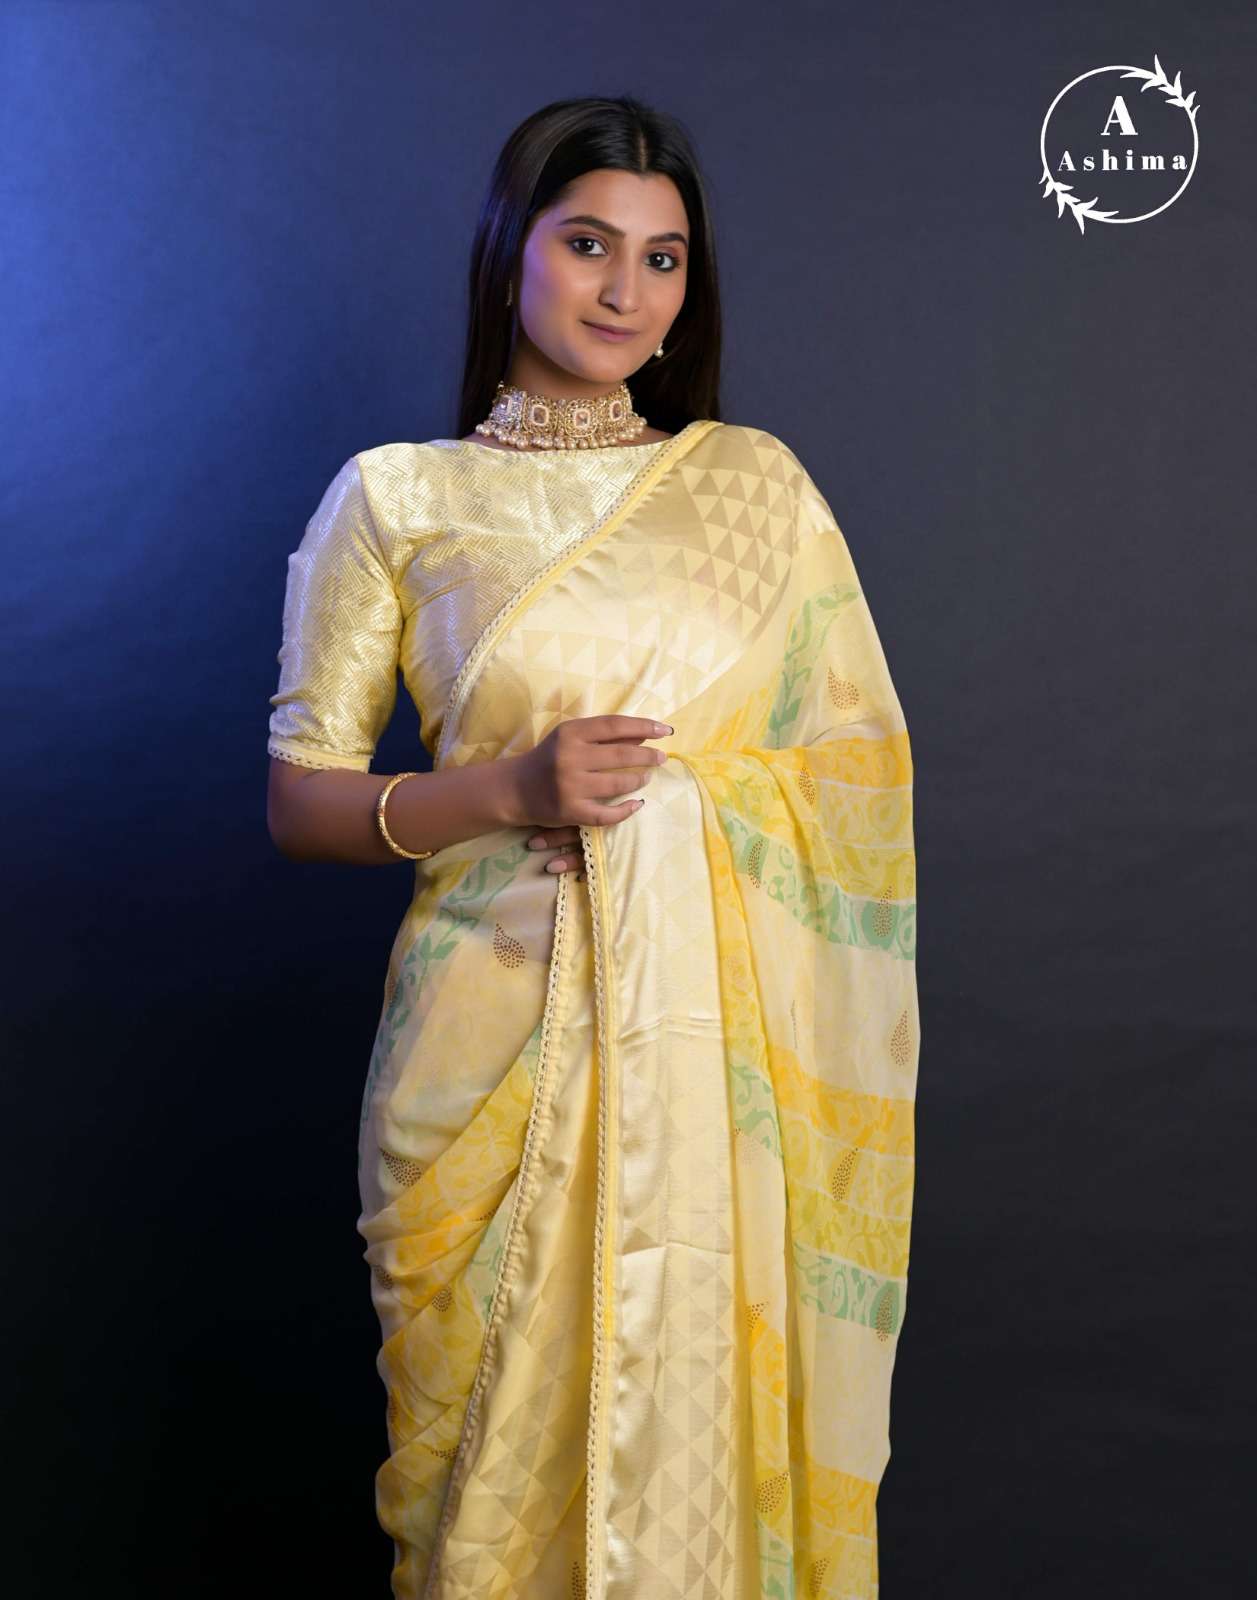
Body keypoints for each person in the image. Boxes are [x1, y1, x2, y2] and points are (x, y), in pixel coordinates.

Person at [265, 94, 920, 1600]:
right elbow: (302, 801)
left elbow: (850, 784)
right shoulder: (398, 497)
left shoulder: (755, 492)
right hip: (478, 1048)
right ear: (511, 251)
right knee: (472, 1495)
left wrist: (681, 819)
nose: (626, 291)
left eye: (663, 258)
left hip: (710, 1066)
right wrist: (512, 789)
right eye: (587, 245)